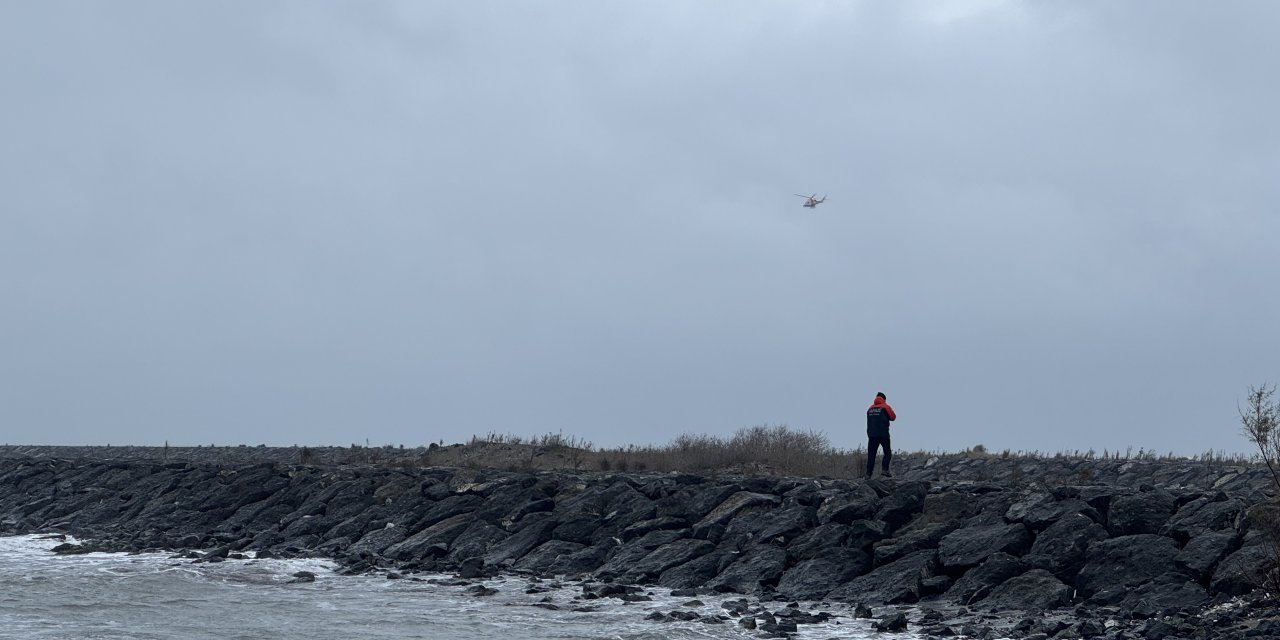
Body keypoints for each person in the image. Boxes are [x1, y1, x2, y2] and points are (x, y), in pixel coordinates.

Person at [866, 392, 897, 479]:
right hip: (883, 434)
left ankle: (868, 474)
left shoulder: (870, 409)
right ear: (884, 399)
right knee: (887, 452)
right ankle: (885, 470)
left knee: (871, 455)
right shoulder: (885, 407)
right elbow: (893, 417)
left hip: (872, 435)